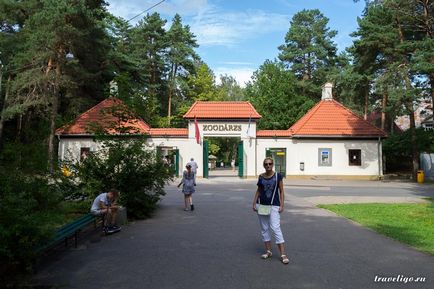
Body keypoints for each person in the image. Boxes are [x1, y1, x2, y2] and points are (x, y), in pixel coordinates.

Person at [252, 157, 289, 265]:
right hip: (262, 205)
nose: (268, 165)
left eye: (270, 164)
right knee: (264, 228)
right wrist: (254, 202)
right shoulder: (261, 176)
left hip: (274, 205)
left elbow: (281, 191)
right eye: (266, 164)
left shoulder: (278, 176)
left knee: (275, 227)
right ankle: (268, 251)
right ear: (264, 165)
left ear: (273, 164)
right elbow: (259, 190)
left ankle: (283, 254)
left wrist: (282, 204)